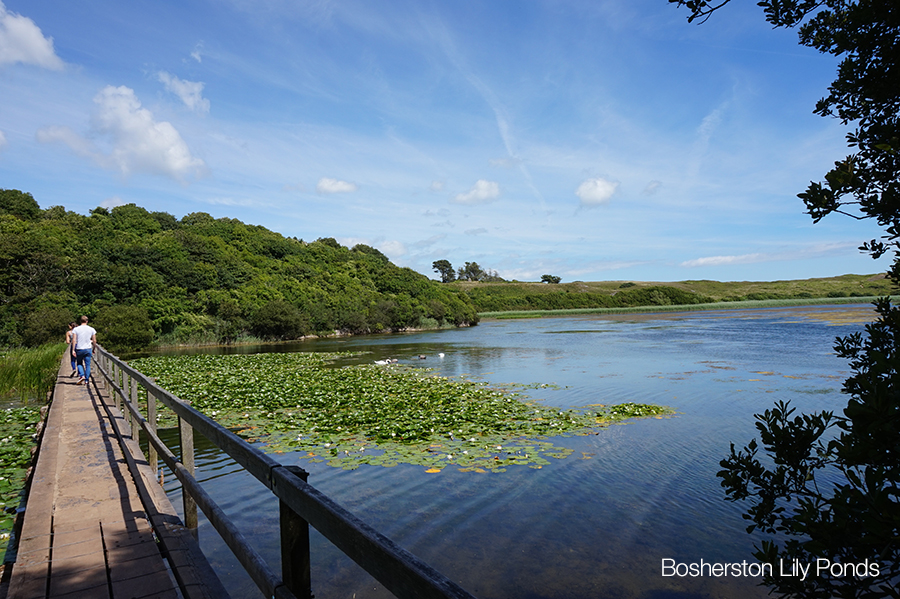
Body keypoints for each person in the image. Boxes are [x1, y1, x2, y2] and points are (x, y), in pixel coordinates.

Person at [70, 316, 97, 385]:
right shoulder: (91, 329)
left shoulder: (76, 329)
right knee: (88, 365)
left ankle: (82, 375)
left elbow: (74, 340)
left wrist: (73, 350)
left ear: (80, 321)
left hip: (79, 348)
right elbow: (94, 340)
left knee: (79, 363)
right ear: (87, 321)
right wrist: (93, 349)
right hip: (88, 348)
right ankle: (87, 380)